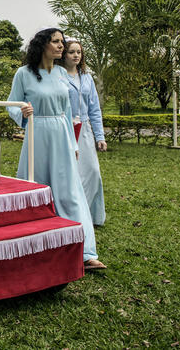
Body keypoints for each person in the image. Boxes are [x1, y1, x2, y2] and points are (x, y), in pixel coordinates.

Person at [7, 28, 106, 270]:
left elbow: (68, 112)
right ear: (43, 45)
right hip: (37, 134)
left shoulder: (63, 74)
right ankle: (33, 243)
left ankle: (86, 252)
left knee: (71, 192)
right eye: (56, 41)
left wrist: (73, 144)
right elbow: (12, 103)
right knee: (36, 188)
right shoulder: (24, 74)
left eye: (62, 42)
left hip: (62, 135)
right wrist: (22, 112)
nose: (61, 46)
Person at [56, 37, 107, 226]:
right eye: (71, 52)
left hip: (84, 129)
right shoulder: (58, 76)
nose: (76, 55)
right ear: (64, 55)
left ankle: (89, 214)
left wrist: (99, 136)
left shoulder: (86, 77)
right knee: (71, 172)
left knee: (92, 171)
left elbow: (94, 109)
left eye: (78, 52)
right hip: (65, 128)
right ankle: (71, 214)